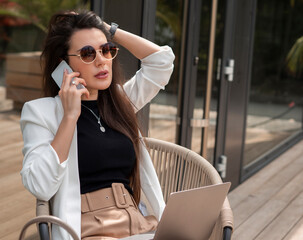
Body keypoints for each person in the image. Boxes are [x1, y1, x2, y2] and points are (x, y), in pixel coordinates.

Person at [20, 10, 174, 240]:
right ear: (63, 65)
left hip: (137, 223)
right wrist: (70, 117)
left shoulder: (121, 102)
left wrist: (108, 30)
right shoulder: (41, 113)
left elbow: (161, 62)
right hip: (88, 229)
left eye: (106, 50)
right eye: (87, 53)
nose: (102, 60)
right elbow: (39, 185)